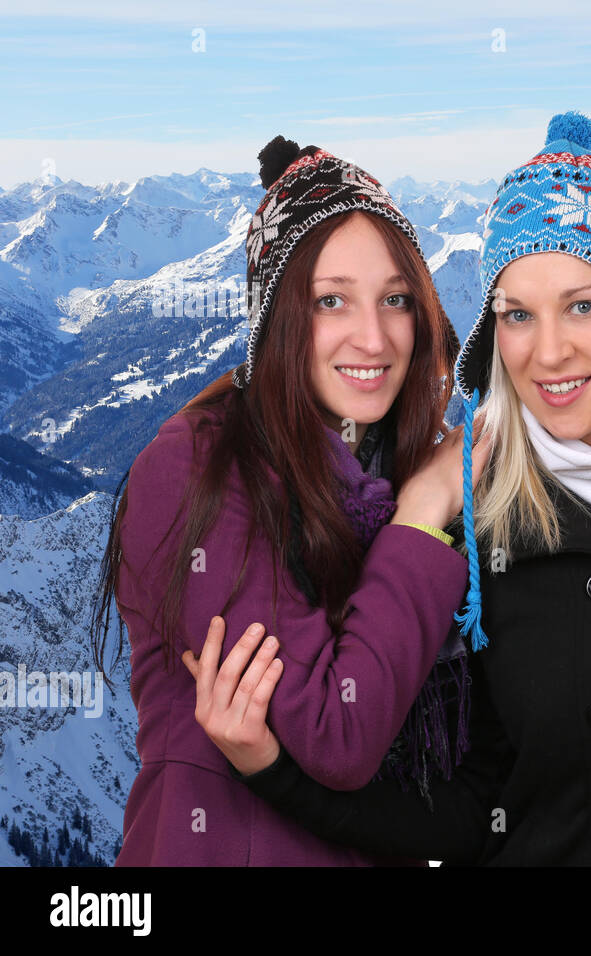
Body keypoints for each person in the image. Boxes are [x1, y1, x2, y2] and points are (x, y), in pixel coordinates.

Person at [188, 112, 591, 865]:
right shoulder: (473, 531)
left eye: (582, 305)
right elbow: (473, 809)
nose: (548, 352)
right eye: (516, 315)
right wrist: (274, 770)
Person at [92, 136, 487, 866]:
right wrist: (423, 516)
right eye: (330, 300)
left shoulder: (384, 462)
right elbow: (338, 734)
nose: (373, 337)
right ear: (276, 319)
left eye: (396, 299)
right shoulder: (196, 468)